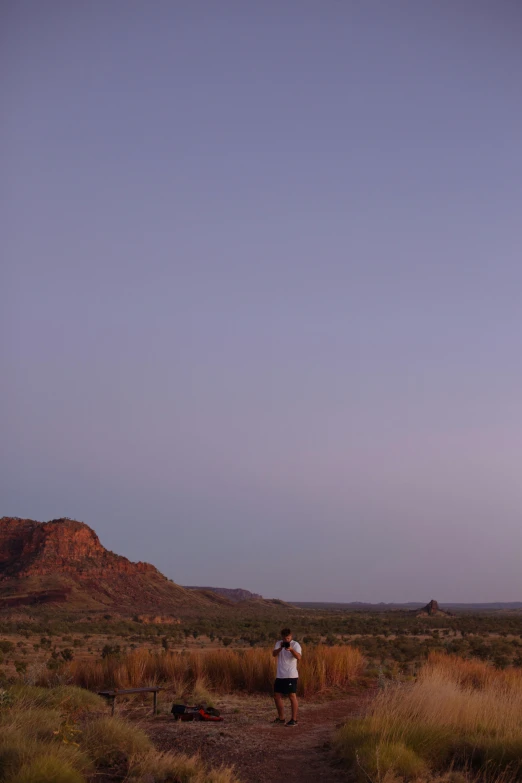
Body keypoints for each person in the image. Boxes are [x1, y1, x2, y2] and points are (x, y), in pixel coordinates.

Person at [272, 627, 302, 726]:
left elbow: (299, 657)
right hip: (280, 675)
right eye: (284, 639)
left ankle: (294, 719)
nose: (286, 640)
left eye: (288, 638)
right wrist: (280, 648)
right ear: (282, 637)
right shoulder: (278, 643)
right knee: (276, 696)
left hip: (291, 675)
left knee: (292, 696)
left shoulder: (295, 644)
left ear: (291, 637)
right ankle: (281, 718)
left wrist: (291, 649)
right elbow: (273, 654)